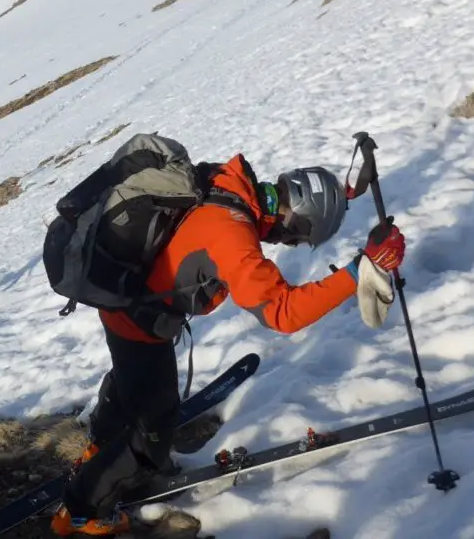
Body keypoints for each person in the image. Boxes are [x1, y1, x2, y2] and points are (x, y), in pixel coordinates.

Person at [50, 150, 407, 536]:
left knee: (130, 381)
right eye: (295, 235)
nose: (286, 242)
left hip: (124, 306)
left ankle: (98, 450)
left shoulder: (231, 184)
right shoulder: (234, 232)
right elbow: (282, 313)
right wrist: (357, 272)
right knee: (153, 431)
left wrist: (346, 192)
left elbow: (292, 208)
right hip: (140, 325)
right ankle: (81, 510)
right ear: (295, 216)